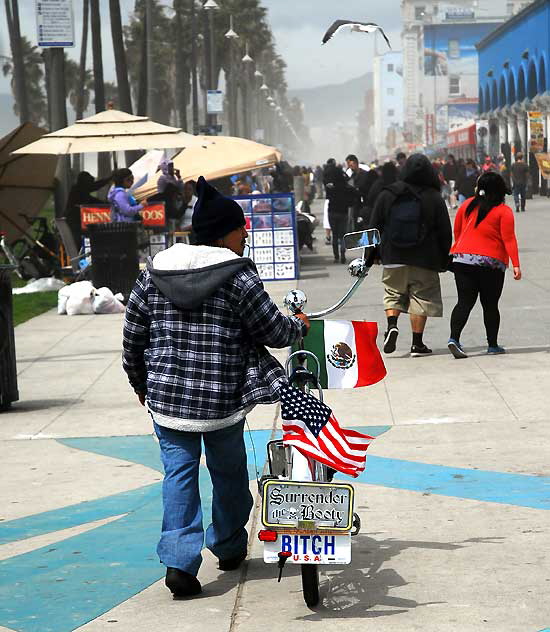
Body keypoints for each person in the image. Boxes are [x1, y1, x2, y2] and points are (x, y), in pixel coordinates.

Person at [122, 176, 310, 598]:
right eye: (242, 229)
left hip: (167, 400)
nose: (246, 237)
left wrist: (140, 383)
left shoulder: (151, 275)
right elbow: (270, 329)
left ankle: (179, 563)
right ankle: (227, 545)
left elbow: (132, 337)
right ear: (225, 232)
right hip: (222, 400)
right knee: (228, 473)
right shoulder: (237, 277)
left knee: (179, 476)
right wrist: (297, 326)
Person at [369, 154, 452, 357]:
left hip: (393, 256)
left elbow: (373, 228)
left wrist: (372, 255)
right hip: (425, 258)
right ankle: (417, 344)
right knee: (421, 298)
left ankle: (392, 324)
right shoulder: (434, 197)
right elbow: (444, 232)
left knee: (393, 293)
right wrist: (443, 258)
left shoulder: (387, 195)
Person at [447, 172, 521, 358]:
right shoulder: (503, 211)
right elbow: (509, 239)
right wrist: (516, 265)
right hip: (491, 263)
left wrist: (462, 250)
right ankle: (493, 345)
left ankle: (454, 339)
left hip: (463, 260)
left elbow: (457, 230)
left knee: (464, 302)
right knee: (490, 304)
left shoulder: (467, 205)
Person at [65, 171, 112, 246]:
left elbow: (91, 199)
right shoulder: (78, 189)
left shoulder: (81, 190)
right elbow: (94, 186)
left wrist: (106, 204)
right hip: (74, 221)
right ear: (84, 181)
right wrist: (109, 179)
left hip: (78, 220)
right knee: (77, 240)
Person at [324, 164, 358, 263]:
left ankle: (336, 256)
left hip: (332, 213)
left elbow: (327, 197)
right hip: (343, 213)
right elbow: (355, 194)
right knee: (343, 235)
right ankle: (343, 254)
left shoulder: (330, 188)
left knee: (334, 235)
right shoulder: (347, 188)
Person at [346, 153, 378, 229]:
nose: (350, 167)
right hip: (356, 205)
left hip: (365, 204)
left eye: (350, 165)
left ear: (355, 163)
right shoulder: (351, 176)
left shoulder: (365, 175)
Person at [364, 161, 398, 226]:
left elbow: (370, 200)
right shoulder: (399, 185)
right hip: (395, 219)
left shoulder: (377, 185)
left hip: (379, 219)